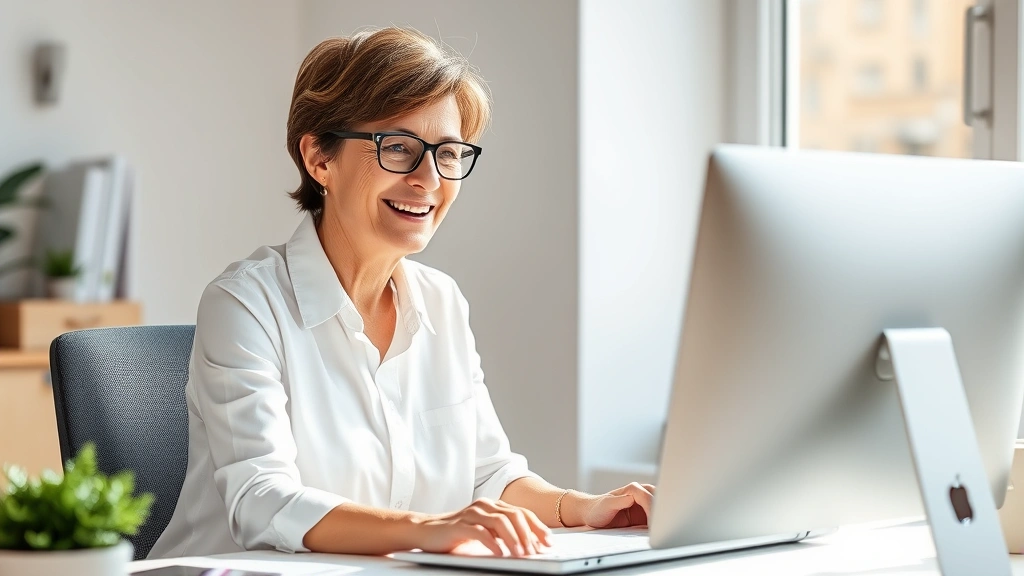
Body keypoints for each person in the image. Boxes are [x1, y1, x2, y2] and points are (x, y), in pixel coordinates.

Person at [148, 26, 654, 560]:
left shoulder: (442, 302)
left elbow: (488, 474)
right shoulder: (246, 303)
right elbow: (261, 500)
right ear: (320, 157)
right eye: (399, 148)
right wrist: (428, 529)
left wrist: (583, 507)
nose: (429, 178)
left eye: (450, 153)